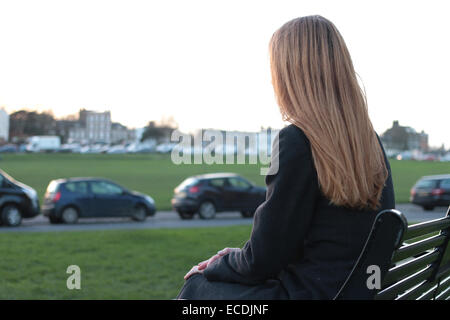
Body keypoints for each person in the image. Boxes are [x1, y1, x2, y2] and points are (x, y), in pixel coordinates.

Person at [176, 15, 395, 300]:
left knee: (197, 288)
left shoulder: (298, 140)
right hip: (352, 291)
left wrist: (221, 264)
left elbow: (263, 260)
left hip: (312, 293)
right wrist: (238, 257)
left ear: (289, 74)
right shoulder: (367, 142)